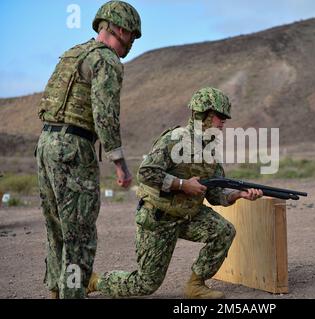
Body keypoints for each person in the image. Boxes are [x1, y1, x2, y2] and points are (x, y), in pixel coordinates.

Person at [88, 87, 263, 298]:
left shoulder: (210, 150)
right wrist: (182, 184)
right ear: (202, 115)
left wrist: (239, 195)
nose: (224, 122)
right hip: (158, 218)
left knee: (224, 231)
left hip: (188, 215)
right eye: (220, 116)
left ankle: (196, 285)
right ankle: (95, 282)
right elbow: (146, 173)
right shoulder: (174, 140)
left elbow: (215, 195)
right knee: (145, 284)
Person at [35, 1, 141, 299]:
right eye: (132, 35)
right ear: (120, 29)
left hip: (46, 145)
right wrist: (120, 163)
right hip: (73, 149)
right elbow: (105, 115)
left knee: (56, 230)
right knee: (79, 235)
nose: (131, 42)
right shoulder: (106, 60)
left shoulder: (73, 53)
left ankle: (56, 292)